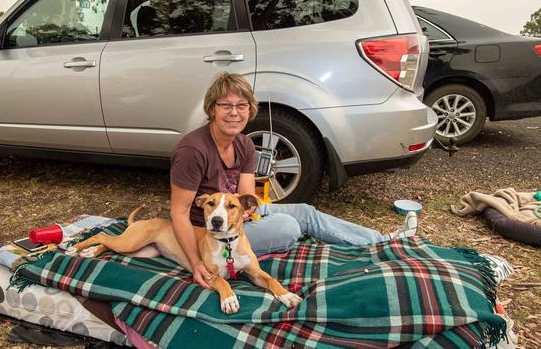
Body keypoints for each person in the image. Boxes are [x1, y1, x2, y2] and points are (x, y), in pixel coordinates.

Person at [169, 72, 417, 289]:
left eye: (241, 106)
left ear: (249, 109)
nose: (234, 113)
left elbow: (248, 198)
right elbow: (179, 212)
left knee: (306, 212)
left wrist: (249, 212)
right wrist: (196, 262)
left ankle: (384, 241)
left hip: (235, 215)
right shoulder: (193, 150)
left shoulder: (244, 144)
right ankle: (237, 253)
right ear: (212, 109)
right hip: (210, 231)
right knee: (288, 227)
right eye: (226, 106)